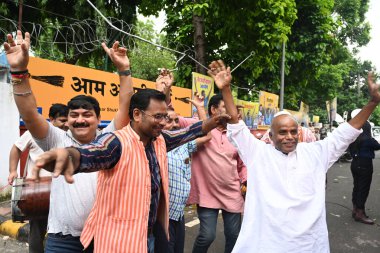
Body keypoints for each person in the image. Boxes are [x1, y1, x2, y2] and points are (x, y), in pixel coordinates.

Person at [207, 59, 380, 253]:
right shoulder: (258, 153)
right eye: (282, 132)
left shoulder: (315, 153)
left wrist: (373, 102)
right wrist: (226, 89)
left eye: (293, 131)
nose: (289, 137)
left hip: (308, 245)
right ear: (271, 136)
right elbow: (237, 127)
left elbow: (345, 132)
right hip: (266, 244)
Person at [30, 88, 230, 253]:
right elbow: (94, 153)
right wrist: (70, 157)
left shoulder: (159, 139)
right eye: (158, 116)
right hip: (120, 242)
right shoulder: (116, 141)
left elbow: (186, 132)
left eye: (165, 117)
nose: (163, 122)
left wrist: (211, 122)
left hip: (150, 236)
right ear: (136, 114)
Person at [4, 30, 133, 252]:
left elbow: (126, 106)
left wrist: (123, 70)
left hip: (103, 236)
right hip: (62, 240)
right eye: (74, 115)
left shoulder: (108, 139)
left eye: (87, 114)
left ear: (99, 119)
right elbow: (29, 114)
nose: (80, 120)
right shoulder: (56, 139)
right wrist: (18, 71)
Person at [188, 93, 247, 253]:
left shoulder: (237, 133)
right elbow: (171, 121)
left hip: (232, 194)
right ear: (213, 110)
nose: (231, 112)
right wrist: (199, 107)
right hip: (207, 193)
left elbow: (243, 164)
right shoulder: (197, 127)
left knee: (234, 235)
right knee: (207, 235)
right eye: (226, 108)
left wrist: (245, 182)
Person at [8, 103, 68, 253]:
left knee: (62, 232)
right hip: (37, 194)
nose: (66, 124)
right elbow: (16, 148)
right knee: (37, 232)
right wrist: (12, 171)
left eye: (68, 120)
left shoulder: (69, 134)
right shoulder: (36, 132)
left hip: (63, 193)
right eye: (62, 120)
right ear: (51, 119)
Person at [154, 94, 211, 253]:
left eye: (176, 120)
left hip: (179, 214)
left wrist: (199, 107)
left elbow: (207, 135)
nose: (173, 124)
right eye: (168, 120)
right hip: (163, 217)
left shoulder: (184, 144)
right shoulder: (156, 145)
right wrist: (165, 91)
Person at [348, 119, 380, 224]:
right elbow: (377, 146)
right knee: (363, 189)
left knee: (356, 186)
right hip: (365, 164)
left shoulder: (353, 138)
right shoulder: (368, 139)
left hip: (354, 164)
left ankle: (355, 209)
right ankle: (360, 213)